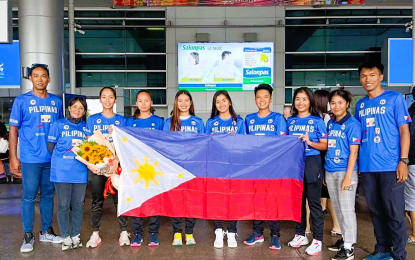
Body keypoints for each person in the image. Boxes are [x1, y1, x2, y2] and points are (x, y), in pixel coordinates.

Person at [355, 62, 410, 260]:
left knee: (394, 212)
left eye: (372, 74)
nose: (367, 79)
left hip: (390, 166)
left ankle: (400, 255)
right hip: (368, 168)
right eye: (363, 75)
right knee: (376, 211)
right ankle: (382, 249)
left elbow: (404, 131)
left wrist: (403, 160)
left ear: (381, 76)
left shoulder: (394, 98)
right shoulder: (360, 105)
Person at [9, 63, 64, 253]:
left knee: (48, 195)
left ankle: (46, 231)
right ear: (30, 78)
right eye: (36, 76)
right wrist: (13, 158)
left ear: (49, 79)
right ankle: (28, 235)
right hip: (30, 158)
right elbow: (13, 131)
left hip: (51, 158)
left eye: (43, 76)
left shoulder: (56, 102)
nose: (40, 79)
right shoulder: (21, 101)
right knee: (29, 196)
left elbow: (60, 130)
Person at [243, 84, 287, 250]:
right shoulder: (249, 119)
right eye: (259, 97)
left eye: (265, 97)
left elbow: (281, 144)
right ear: (255, 99)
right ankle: (258, 232)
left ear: (270, 98)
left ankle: (275, 234)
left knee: (272, 200)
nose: (262, 100)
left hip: (273, 168)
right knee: (256, 200)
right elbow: (245, 143)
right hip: (255, 168)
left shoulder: (278, 118)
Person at [85, 87, 129, 248]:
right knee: (97, 200)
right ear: (100, 100)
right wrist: (92, 165)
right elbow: (89, 144)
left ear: (115, 100)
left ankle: (124, 232)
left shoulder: (122, 121)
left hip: (116, 167)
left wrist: (117, 160)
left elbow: (125, 145)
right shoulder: (93, 120)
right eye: (104, 97)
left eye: (111, 97)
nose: (107, 100)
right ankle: (95, 234)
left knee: (120, 200)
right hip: (98, 168)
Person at [287, 87, 327, 256]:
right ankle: (300, 234)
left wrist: (309, 142)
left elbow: (324, 145)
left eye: (304, 99)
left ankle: (317, 240)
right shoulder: (290, 121)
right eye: (297, 98)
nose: (300, 102)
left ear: (310, 101)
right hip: (294, 165)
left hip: (312, 162)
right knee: (297, 202)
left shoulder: (317, 121)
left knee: (314, 203)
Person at [205, 90, 246, 248]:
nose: (221, 104)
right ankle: (218, 230)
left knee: (232, 198)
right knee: (218, 199)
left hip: (234, 167)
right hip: (216, 166)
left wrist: (235, 140)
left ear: (229, 102)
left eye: (224, 100)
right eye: (218, 101)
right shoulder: (210, 123)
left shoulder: (239, 122)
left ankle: (231, 232)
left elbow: (246, 144)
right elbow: (205, 145)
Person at [163, 90, 204, 246]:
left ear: (191, 102)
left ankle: (189, 232)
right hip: (174, 168)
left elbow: (206, 143)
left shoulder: (198, 122)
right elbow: (164, 145)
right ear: (176, 103)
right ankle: (177, 233)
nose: (184, 103)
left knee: (191, 200)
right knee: (176, 201)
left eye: (187, 100)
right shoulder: (169, 122)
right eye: (180, 100)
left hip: (193, 168)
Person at [47, 97, 88, 251]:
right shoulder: (58, 125)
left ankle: (76, 235)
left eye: (81, 108)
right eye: (74, 107)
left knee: (78, 205)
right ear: (69, 108)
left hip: (80, 172)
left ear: (84, 111)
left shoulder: (86, 127)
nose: (77, 110)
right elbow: (51, 146)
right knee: (63, 205)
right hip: (61, 172)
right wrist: (63, 159)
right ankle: (65, 237)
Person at [325, 88, 361, 260]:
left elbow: (354, 153)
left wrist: (348, 176)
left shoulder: (353, 124)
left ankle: (349, 248)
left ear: (347, 104)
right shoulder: (331, 123)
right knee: (338, 208)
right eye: (333, 103)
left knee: (347, 210)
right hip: (330, 170)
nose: (336, 106)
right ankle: (344, 239)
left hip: (346, 171)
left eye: (340, 102)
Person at [125, 90, 164, 247]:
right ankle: (137, 234)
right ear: (136, 103)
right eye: (140, 101)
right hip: (135, 168)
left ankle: (153, 234)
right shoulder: (129, 122)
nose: (143, 104)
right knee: (136, 200)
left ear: (151, 103)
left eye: (146, 100)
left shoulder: (159, 121)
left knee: (154, 200)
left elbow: (164, 143)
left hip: (154, 167)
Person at [314, 89, 341, 238]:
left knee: (328, 196)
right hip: (327, 161)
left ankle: (336, 226)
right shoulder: (327, 119)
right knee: (331, 196)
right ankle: (336, 226)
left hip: (324, 160)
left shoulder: (324, 119)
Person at [406, 86, 415, 245]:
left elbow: (408, 135)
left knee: (412, 198)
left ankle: (414, 234)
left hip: (413, 160)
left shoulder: (411, 111)